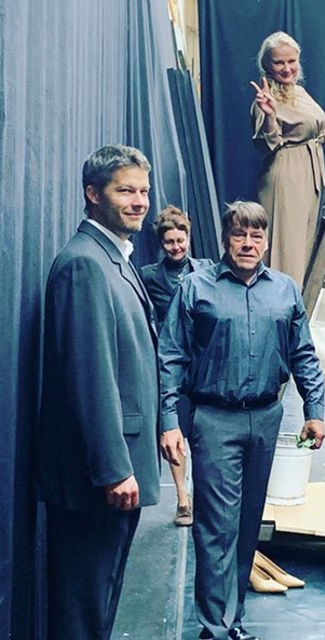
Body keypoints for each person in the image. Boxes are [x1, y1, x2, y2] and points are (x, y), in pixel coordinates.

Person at [158, 200, 325, 640]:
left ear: (266, 241)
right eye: (239, 234)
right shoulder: (195, 288)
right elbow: (171, 356)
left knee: (248, 524)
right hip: (215, 419)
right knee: (216, 527)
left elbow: (304, 354)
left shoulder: (285, 290)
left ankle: (233, 620)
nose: (248, 243)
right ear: (225, 239)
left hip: (266, 418)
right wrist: (169, 420)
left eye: (256, 235)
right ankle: (215, 627)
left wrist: (315, 410)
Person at [37, 144, 160, 640]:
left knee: (99, 605)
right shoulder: (84, 264)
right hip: (97, 482)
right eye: (125, 191)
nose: (139, 201)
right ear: (93, 194)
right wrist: (113, 468)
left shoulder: (116, 259)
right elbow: (90, 375)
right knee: (82, 614)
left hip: (115, 474)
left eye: (144, 191)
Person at [250, 31, 325, 286]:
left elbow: (315, 133)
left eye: (291, 61)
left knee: (303, 247)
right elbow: (266, 144)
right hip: (286, 174)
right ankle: (282, 302)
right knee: (286, 248)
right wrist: (269, 116)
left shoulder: (298, 92)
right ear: (267, 65)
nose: (287, 68)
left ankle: (298, 301)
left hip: (310, 174)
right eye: (279, 62)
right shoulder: (266, 98)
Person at [141, 205, 213, 526]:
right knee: (175, 431)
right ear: (161, 243)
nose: (176, 247)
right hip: (172, 364)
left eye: (180, 240)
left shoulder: (207, 269)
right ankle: (183, 499)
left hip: (205, 364)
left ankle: (204, 495)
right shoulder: (148, 276)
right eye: (169, 242)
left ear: (189, 237)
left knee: (205, 432)